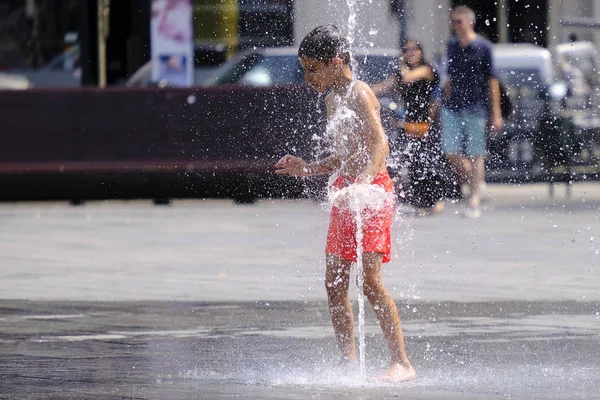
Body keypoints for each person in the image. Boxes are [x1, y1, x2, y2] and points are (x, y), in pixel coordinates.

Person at [274, 25, 416, 382]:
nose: (309, 78)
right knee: (334, 281)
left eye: (313, 69)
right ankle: (348, 360)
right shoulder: (331, 99)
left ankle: (402, 362)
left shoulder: (360, 93)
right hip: (346, 192)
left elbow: (379, 144)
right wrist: (305, 169)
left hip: (372, 195)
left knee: (369, 282)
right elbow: (343, 156)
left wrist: (364, 185)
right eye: (305, 69)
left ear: (336, 62)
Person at [441, 5, 503, 218]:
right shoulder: (452, 46)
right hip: (453, 106)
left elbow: (492, 81)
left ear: (469, 22)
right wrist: (441, 101)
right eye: (453, 22)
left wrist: (496, 113)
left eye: (459, 21)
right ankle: (474, 179)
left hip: (477, 107)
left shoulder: (484, 47)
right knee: (451, 151)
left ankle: (474, 196)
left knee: (477, 153)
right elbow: (448, 77)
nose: (455, 26)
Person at [372, 39, 445, 216]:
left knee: (427, 164)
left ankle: (435, 201)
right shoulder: (401, 73)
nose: (410, 53)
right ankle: (420, 203)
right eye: (406, 50)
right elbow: (384, 86)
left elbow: (407, 78)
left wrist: (401, 64)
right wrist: (362, 91)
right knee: (413, 164)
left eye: (414, 49)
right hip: (409, 125)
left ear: (421, 52)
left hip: (426, 124)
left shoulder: (427, 70)